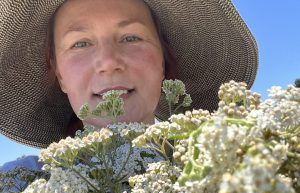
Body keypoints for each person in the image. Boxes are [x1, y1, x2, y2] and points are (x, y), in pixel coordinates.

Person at [0, 0, 258, 172]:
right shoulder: (16, 188)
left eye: (131, 37)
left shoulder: (234, 168)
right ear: (60, 76)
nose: (109, 62)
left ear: (163, 62)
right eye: (80, 43)